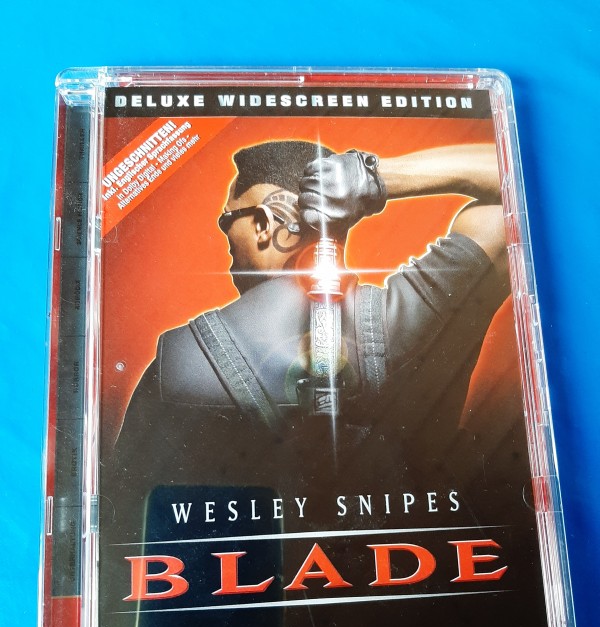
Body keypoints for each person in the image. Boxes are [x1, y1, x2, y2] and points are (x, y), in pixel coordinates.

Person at [112, 139, 509, 506]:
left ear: (264, 223)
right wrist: (372, 177)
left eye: (227, 219)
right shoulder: (412, 316)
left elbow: (126, 517)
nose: (226, 236)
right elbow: (512, 194)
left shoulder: (179, 363)